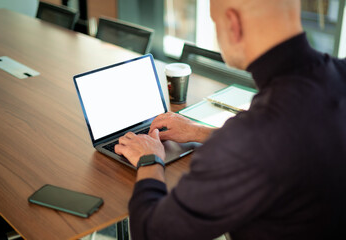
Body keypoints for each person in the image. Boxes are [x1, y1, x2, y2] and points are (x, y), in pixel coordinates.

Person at [115, 0, 346, 239]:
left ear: (233, 25)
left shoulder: (251, 135)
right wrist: (198, 131)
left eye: (215, 22)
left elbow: (151, 232)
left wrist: (149, 158)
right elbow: (294, 141)